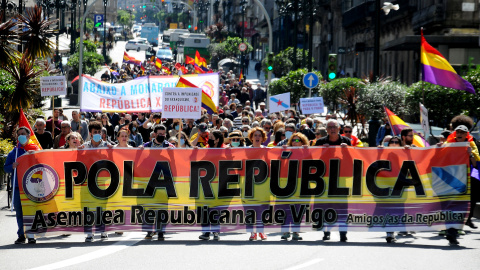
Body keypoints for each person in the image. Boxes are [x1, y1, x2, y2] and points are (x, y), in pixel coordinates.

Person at [315, 119, 350, 242]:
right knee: (325, 206)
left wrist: (347, 151)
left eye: (334, 127)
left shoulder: (346, 141)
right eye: (329, 127)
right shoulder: (320, 142)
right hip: (324, 179)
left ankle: (343, 233)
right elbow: (313, 161)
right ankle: (326, 231)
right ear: (326, 129)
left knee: (342, 207)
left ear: (339, 128)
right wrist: (321, 151)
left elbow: (353, 161)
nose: (332, 129)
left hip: (341, 180)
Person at [4, 126, 41, 244]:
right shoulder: (13, 152)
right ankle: (21, 234)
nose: (21, 136)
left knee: (31, 211)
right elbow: (6, 168)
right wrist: (12, 166)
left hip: (32, 187)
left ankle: (31, 235)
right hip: (17, 187)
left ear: (28, 136)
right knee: (19, 213)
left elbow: (42, 164)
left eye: (23, 134)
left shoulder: (35, 150)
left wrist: (34, 156)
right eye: (19, 134)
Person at [79, 121, 112, 242]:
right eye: (95, 132)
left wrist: (112, 151)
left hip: (102, 182)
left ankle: (102, 230)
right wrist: (79, 152)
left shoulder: (107, 146)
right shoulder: (85, 147)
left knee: (101, 207)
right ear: (90, 133)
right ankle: (89, 233)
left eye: (99, 132)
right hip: (87, 181)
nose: (97, 134)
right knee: (88, 207)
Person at [144, 124, 175, 241]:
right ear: (154, 134)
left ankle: (161, 231)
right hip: (150, 180)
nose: (162, 136)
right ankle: (149, 230)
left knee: (162, 207)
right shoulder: (147, 146)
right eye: (159, 134)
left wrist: (172, 153)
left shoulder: (170, 146)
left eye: (163, 134)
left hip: (164, 180)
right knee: (148, 206)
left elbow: (178, 159)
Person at [279, 133, 310, 241]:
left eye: (298, 140)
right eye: (293, 140)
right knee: (287, 208)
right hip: (288, 183)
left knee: (299, 209)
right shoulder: (287, 152)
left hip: (302, 184)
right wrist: (282, 151)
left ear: (303, 142)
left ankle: (296, 232)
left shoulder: (306, 152)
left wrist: (308, 151)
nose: (295, 142)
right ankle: (285, 231)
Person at [246, 127, 268, 240]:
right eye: (255, 135)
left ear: (263, 138)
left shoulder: (267, 150)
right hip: (248, 184)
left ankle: (261, 231)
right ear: (251, 137)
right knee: (250, 209)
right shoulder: (245, 150)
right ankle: (252, 233)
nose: (257, 137)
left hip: (262, 183)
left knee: (262, 208)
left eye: (260, 135)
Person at [380, 135, 403, 243]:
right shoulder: (383, 153)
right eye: (391, 142)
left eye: (396, 142)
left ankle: (394, 230)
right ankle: (389, 232)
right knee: (388, 209)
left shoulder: (405, 153)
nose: (393, 143)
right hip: (386, 185)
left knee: (398, 209)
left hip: (400, 185)